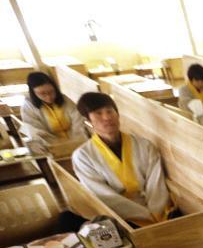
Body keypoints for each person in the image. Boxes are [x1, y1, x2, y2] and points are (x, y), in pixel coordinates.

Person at [71, 92, 174, 226]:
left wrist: (155, 214)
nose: (107, 117)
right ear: (88, 121)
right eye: (98, 113)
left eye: (110, 111)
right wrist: (143, 215)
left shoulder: (144, 145)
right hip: (119, 217)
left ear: (118, 114)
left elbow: (156, 185)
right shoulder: (83, 156)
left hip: (157, 213)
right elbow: (103, 195)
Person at [20, 71, 88, 153]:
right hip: (51, 145)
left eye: (51, 92)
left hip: (76, 140)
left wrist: (76, 141)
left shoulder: (65, 99)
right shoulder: (28, 106)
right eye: (42, 94)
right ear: (33, 93)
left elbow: (78, 120)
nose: (48, 97)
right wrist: (58, 145)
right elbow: (35, 130)